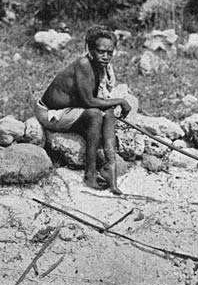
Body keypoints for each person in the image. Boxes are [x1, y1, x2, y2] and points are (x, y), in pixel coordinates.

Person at [35, 26, 133, 195]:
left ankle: (110, 165)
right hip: (51, 113)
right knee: (95, 114)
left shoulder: (102, 67)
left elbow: (95, 99)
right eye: (101, 51)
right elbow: (89, 101)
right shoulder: (83, 64)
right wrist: (121, 101)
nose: (106, 56)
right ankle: (90, 174)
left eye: (110, 53)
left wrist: (113, 104)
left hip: (72, 110)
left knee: (107, 111)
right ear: (90, 49)